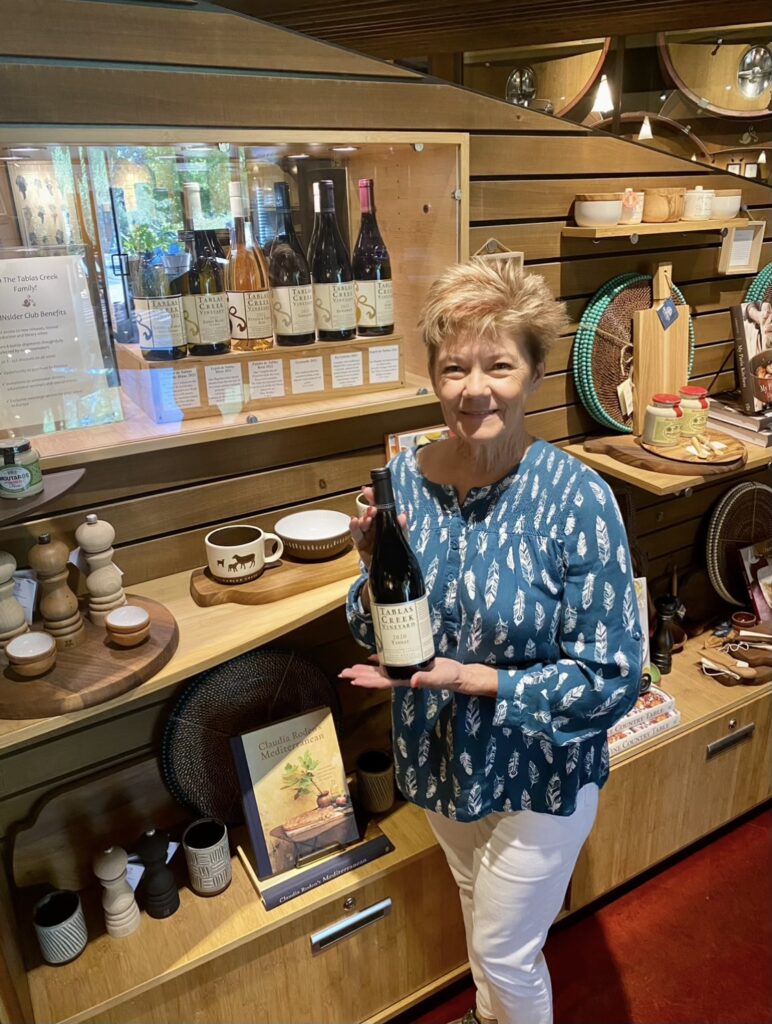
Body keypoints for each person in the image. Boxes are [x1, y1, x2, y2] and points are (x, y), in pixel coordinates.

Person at [341, 259, 643, 1024]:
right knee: (482, 918)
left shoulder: (579, 498)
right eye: (454, 367)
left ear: (536, 371)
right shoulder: (400, 480)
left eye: (499, 364)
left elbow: (613, 675)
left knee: (508, 951)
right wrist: (368, 571)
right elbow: (375, 625)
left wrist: (481, 680)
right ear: (435, 378)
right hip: (441, 756)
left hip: (538, 769)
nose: (475, 387)